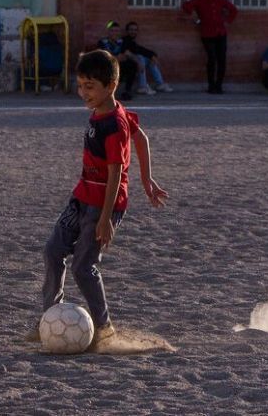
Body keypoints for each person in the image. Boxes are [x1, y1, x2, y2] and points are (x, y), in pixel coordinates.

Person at [25, 49, 169, 350]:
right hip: (81, 197)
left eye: (89, 86)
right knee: (53, 250)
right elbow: (140, 136)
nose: (83, 92)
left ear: (110, 86)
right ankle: (50, 316)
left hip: (104, 203)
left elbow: (115, 174)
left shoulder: (113, 125)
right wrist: (147, 178)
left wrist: (105, 218)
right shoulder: (106, 112)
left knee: (83, 266)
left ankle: (104, 327)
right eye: (80, 85)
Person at [181, 0, 238, 94]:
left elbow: (233, 10)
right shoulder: (200, 0)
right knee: (211, 59)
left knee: (221, 59)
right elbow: (186, 5)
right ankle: (211, 85)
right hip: (207, 34)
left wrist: (227, 21)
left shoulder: (220, 0)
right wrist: (193, 13)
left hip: (220, 33)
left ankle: (219, 85)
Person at [122, 21, 172, 95]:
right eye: (131, 29)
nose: (133, 31)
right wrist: (143, 59)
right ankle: (142, 87)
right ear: (127, 31)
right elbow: (127, 52)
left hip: (136, 62)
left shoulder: (132, 42)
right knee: (140, 57)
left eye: (135, 30)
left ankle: (160, 84)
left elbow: (141, 49)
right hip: (127, 64)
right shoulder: (124, 40)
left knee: (149, 60)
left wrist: (152, 56)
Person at [96, 21, 138, 100]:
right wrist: (115, 57)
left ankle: (127, 91)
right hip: (107, 66)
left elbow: (125, 54)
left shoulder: (123, 42)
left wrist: (138, 62)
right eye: (112, 31)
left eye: (117, 31)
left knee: (131, 64)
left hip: (119, 66)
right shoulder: (102, 42)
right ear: (108, 32)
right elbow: (103, 55)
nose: (115, 33)